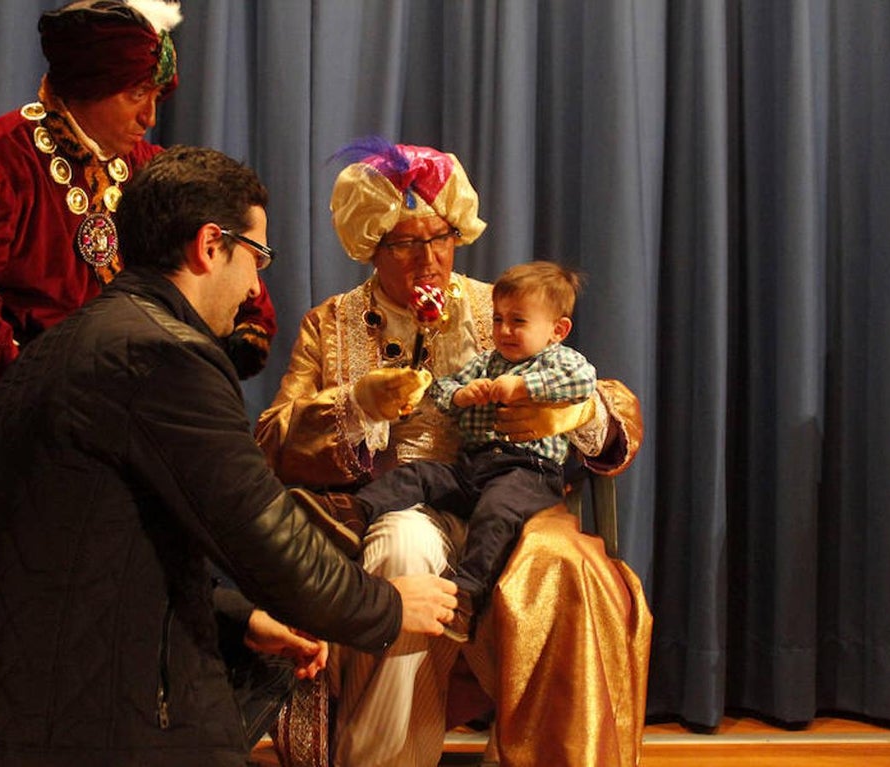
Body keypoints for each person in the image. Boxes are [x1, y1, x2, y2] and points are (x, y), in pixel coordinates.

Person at [0, 145, 458, 767]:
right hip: (94, 730)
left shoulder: (66, 345)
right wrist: (386, 607)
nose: (257, 285)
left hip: (10, 721)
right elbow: (257, 529)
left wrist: (240, 617)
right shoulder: (163, 355)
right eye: (256, 256)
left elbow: (106, 548)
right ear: (211, 245)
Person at [255, 137, 652, 767]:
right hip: (401, 499)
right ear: (371, 245)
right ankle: (387, 759)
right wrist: (359, 404)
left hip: (516, 496)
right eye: (407, 242)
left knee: (569, 570)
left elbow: (596, 387)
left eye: (441, 237)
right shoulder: (330, 323)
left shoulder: (499, 306)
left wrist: (575, 410)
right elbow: (273, 438)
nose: (430, 257)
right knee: (403, 550)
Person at [0, 0, 276, 493]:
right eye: (136, 94)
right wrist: (29, 409)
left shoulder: (149, 166)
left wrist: (246, 326)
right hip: (29, 434)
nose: (149, 114)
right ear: (87, 85)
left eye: (157, 96)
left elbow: (220, 245)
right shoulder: (1, 162)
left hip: (125, 431)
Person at [296, 261, 598, 645]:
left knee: (497, 509)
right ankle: (353, 512)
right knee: (421, 476)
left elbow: (582, 380)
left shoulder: (558, 360)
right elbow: (443, 388)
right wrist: (459, 394)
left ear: (558, 330)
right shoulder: (489, 361)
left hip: (527, 473)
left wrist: (524, 386)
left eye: (517, 322)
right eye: (499, 319)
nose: (504, 330)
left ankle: (467, 594)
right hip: (474, 466)